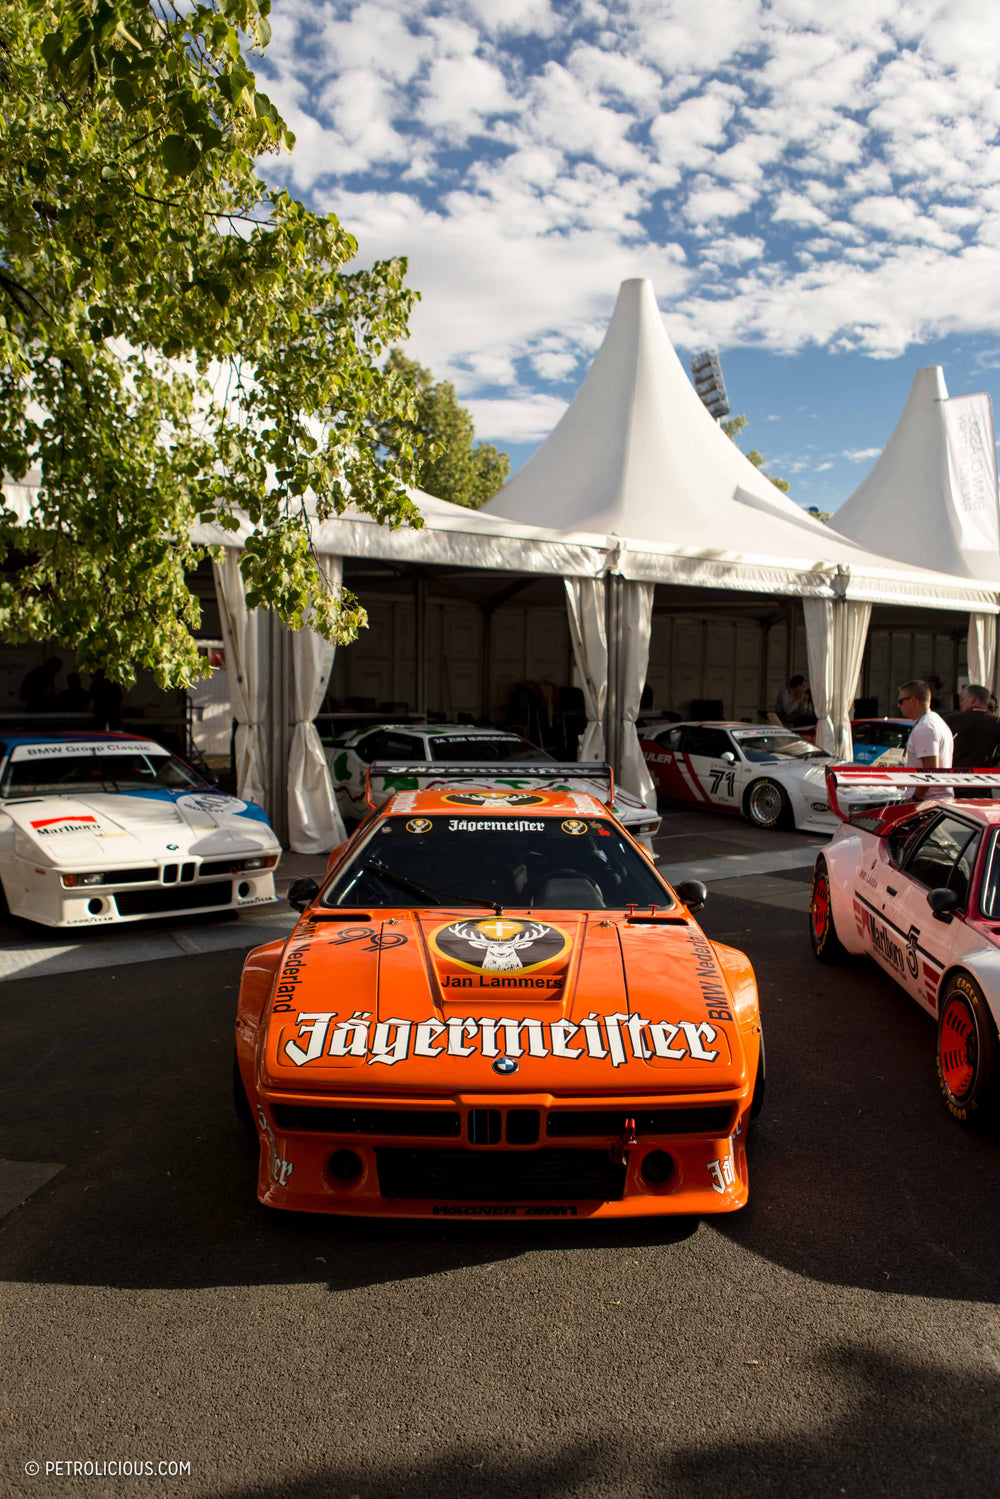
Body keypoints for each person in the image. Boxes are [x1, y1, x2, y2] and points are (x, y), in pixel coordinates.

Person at [899, 679, 953, 800]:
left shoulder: (924, 727)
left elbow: (931, 769)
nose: (899, 706)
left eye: (901, 701)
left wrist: (916, 798)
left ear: (913, 700)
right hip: (937, 800)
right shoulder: (935, 721)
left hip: (928, 802)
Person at [944, 683, 1000, 768]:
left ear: (973, 699)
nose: (961, 703)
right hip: (985, 777)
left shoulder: (951, 720)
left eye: (962, 699)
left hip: (953, 776)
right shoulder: (996, 722)